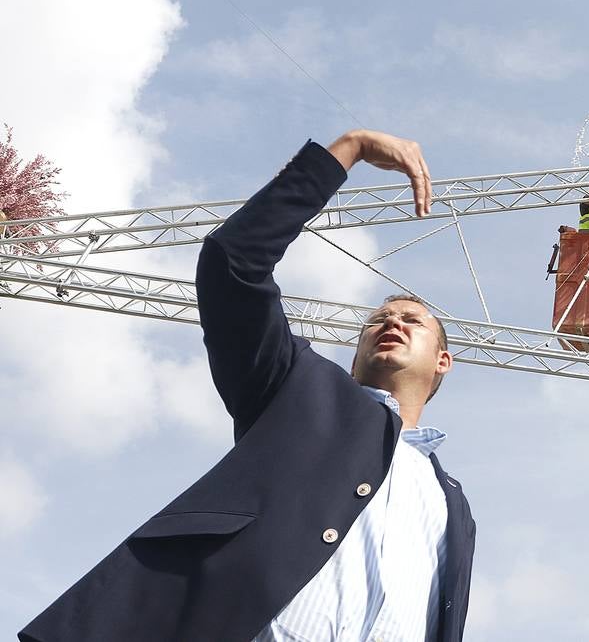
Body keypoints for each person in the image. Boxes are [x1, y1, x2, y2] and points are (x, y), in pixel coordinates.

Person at [21, 130, 476, 642]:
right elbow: (234, 264)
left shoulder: (451, 504)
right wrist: (347, 151)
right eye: (377, 319)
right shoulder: (297, 389)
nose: (391, 322)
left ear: (443, 361)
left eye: (412, 320)